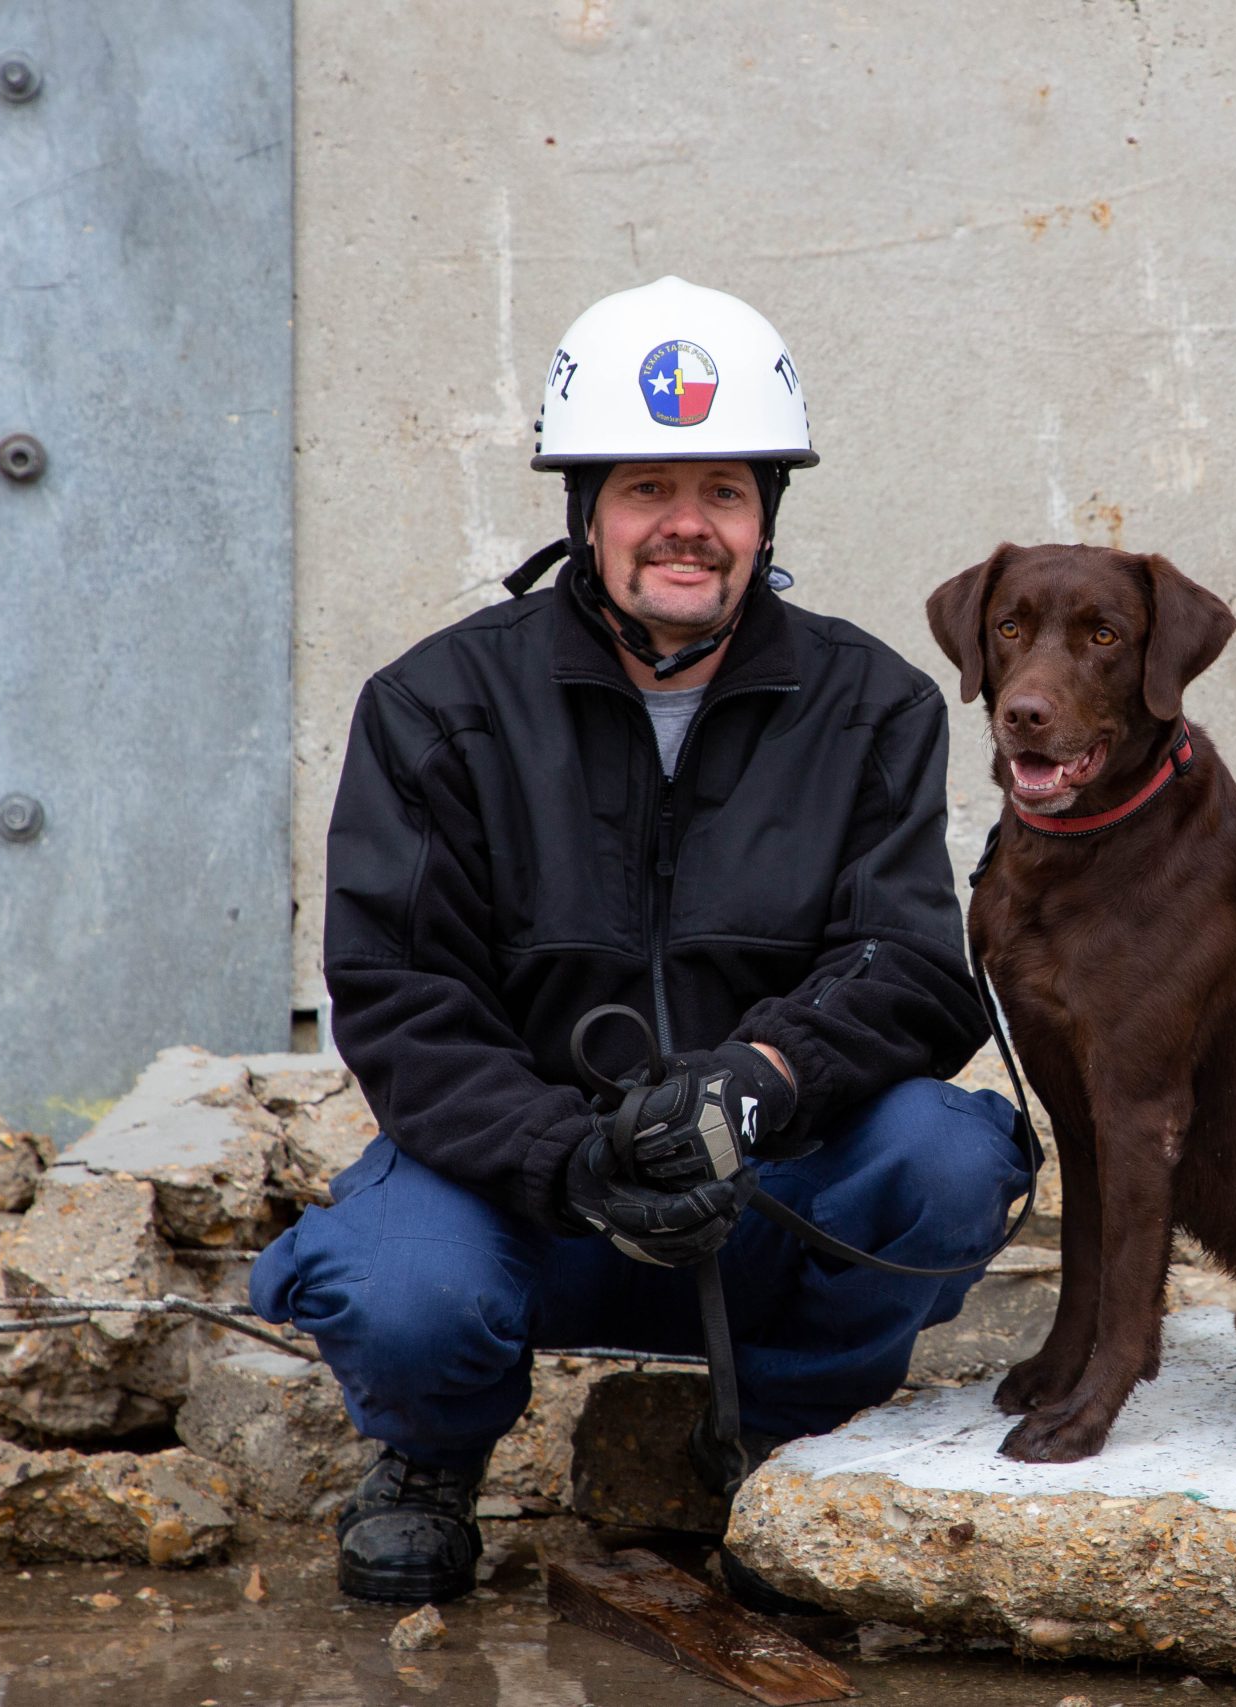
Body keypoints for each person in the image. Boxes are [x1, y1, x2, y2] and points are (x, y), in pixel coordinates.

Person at [250, 277, 1029, 1605]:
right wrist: (576, 1156)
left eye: (724, 490)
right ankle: (431, 1457)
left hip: (765, 1192)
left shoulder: (873, 706)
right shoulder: (437, 708)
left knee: (951, 1155)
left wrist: (762, 1077)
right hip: (526, 1204)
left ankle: (779, 1441)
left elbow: (907, 965)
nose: (688, 527)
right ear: (585, 512)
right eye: (647, 492)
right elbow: (399, 1001)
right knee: (392, 1280)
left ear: (766, 514)